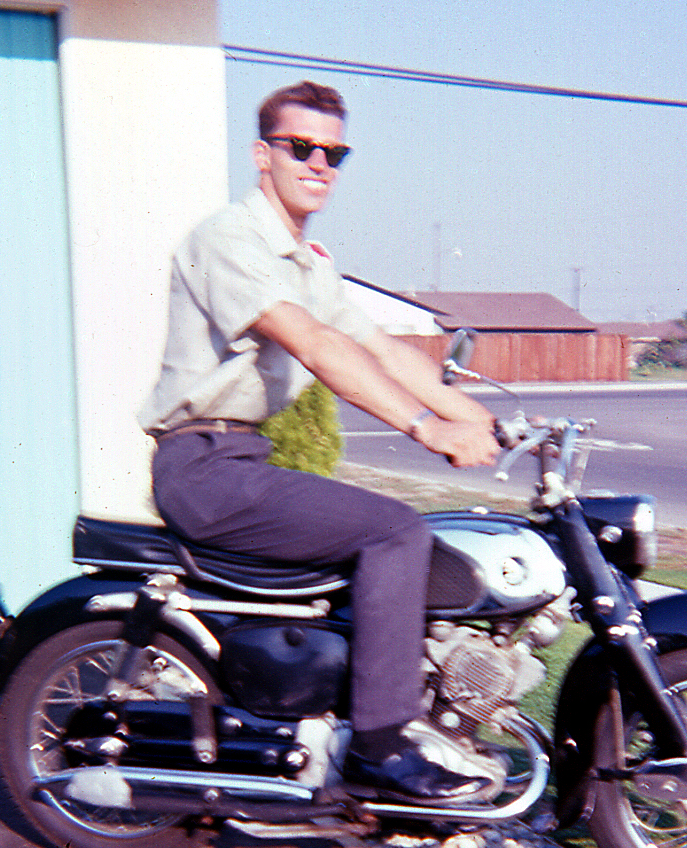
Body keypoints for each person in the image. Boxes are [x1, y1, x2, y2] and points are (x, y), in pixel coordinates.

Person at [138, 81, 501, 804]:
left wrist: (480, 416)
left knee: (400, 537)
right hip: (202, 466)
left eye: (334, 152)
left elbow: (380, 347)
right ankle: (379, 744)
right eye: (300, 147)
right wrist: (428, 430)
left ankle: (378, 713)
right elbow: (313, 342)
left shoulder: (304, 261)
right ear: (261, 155)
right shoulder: (230, 240)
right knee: (397, 531)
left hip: (236, 457)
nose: (319, 163)